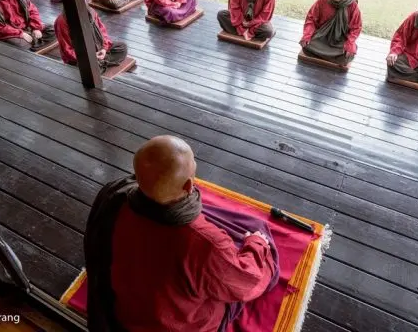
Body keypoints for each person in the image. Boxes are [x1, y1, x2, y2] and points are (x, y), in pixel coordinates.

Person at [83, 136, 276, 332]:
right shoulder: (204, 242)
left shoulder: (115, 200)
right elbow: (247, 282)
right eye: (194, 163)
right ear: (189, 186)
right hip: (177, 326)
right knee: (260, 242)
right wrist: (257, 243)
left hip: (127, 318)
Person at [300, 0, 362, 65]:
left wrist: (349, 44)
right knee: (307, 46)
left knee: (346, 56)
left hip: (340, 40)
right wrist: (307, 35)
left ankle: (325, 54)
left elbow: (356, 27)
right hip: (321, 37)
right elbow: (311, 19)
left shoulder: (352, 5)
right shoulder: (322, 1)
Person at [54, 8, 128, 72]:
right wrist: (89, 56)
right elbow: (67, 51)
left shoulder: (91, 11)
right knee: (90, 70)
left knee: (122, 47)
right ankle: (98, 65)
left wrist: (104, 49)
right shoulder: (62, 21)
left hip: (96, 49)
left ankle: (99, 64)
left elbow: (102, 31)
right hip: (81, 57)